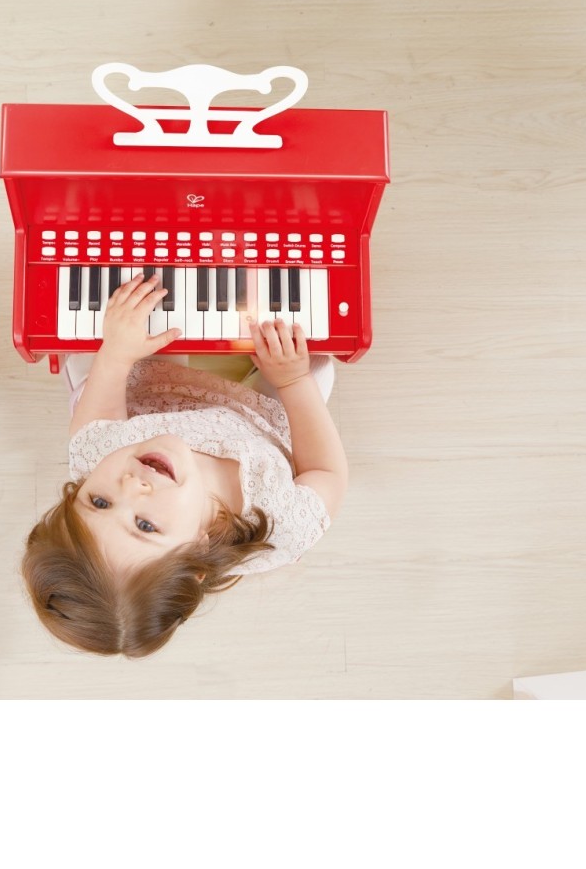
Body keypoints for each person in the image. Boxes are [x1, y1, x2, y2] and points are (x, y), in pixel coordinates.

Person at [20, 271, 348, 658]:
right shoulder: (281, 524)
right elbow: (326, 472)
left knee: (117, 331)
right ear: (197, 553)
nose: (132, 486)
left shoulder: (101, 457)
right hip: (258, 417)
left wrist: (117, 353)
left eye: (99, 502)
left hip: (156, 387)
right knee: (314, 360)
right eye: (145, 525)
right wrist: (293, 381)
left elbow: (101, 411)